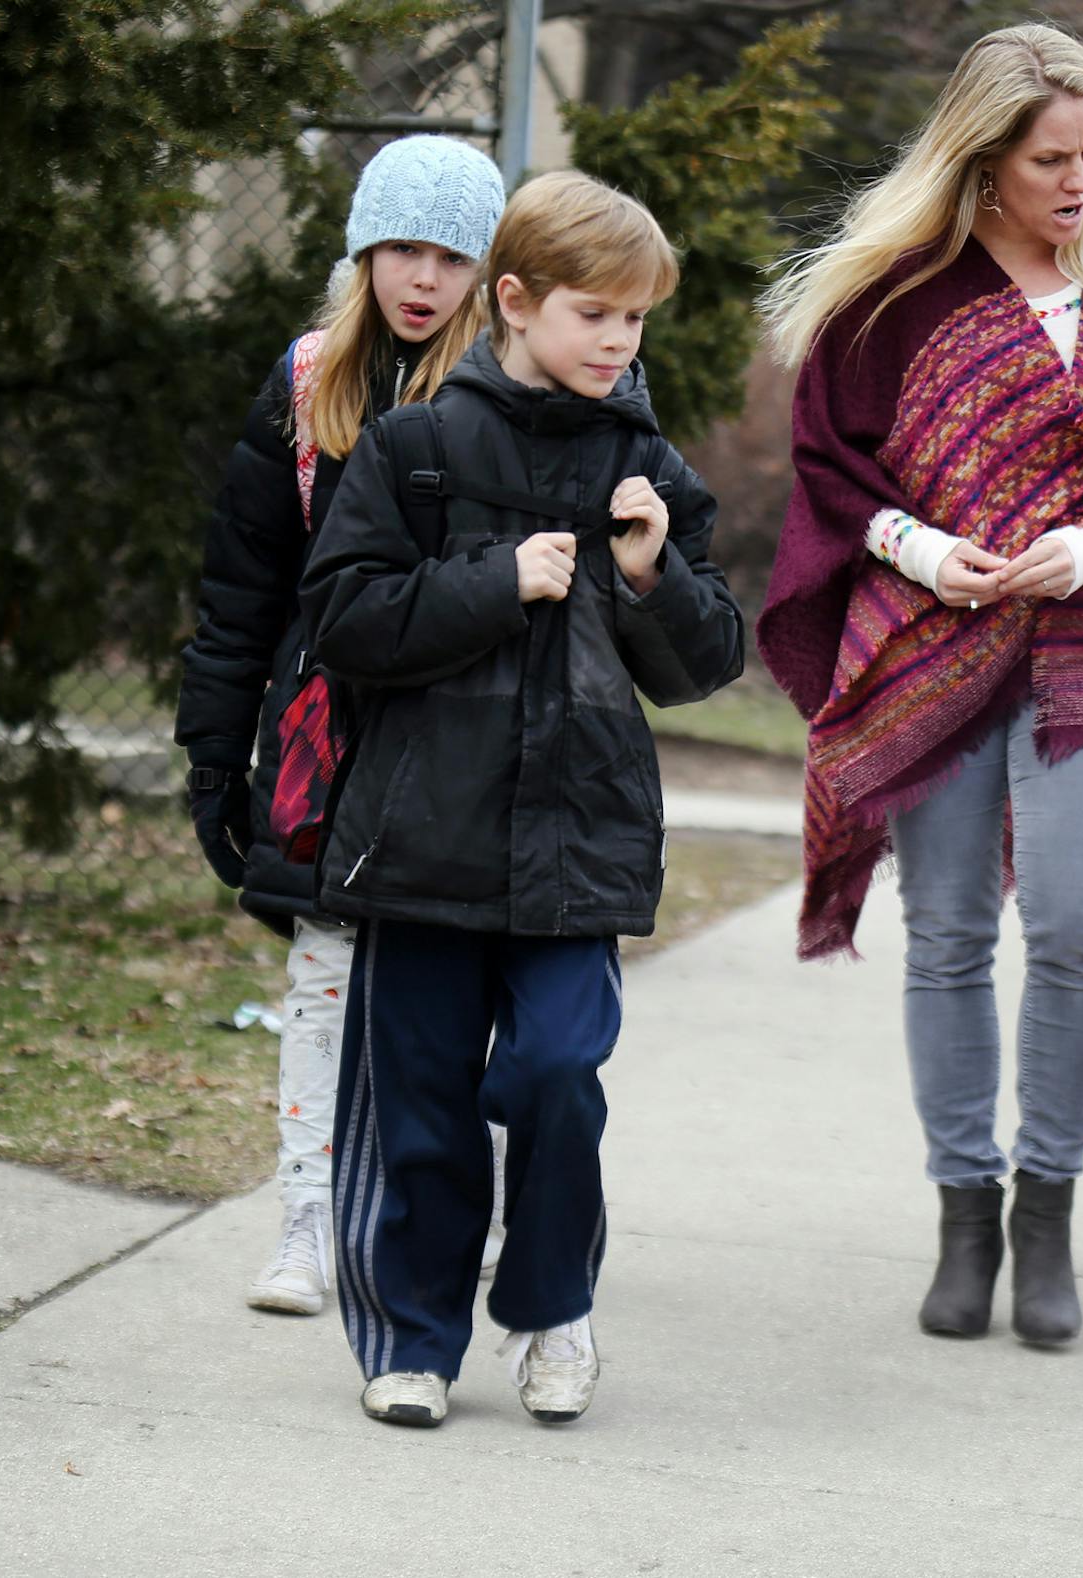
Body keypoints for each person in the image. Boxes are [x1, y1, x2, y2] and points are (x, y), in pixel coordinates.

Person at [757, 24, 1083, 1348]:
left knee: (1075, 922)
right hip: (934, 633)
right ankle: (965, 1212)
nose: (1079, 182)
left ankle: (1048, 1215)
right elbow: (831, 462)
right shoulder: (896, 299)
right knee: (951, 930)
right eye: (1050, 160)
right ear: (986, 159)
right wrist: (912, 543)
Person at [297, 171, 744, 1428]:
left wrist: (655, 573)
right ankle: (415, 1342)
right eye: (595, 315)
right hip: (420, 837)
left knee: (556, 1075)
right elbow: (340, 622)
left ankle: (552, 1309)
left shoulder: (646, 464)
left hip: (578, 847)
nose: (618, 342)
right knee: (426, 1107)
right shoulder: (415, 449)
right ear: (514, 301)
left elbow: (709, 664)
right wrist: (496, 581)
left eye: (637, 322)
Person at [175, 135, 505, 1318]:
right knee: (322, 979)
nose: (424, 279)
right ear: (364, 256)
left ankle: (472, 1216)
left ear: (487, 272)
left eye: (452, 257)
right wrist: (216, 750)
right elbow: (243, 585)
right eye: (401, 250)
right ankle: (304, 1226)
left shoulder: (510, 389)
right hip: (330, 733)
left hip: (472, 731)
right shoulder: (313, 383)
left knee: (467, 988)